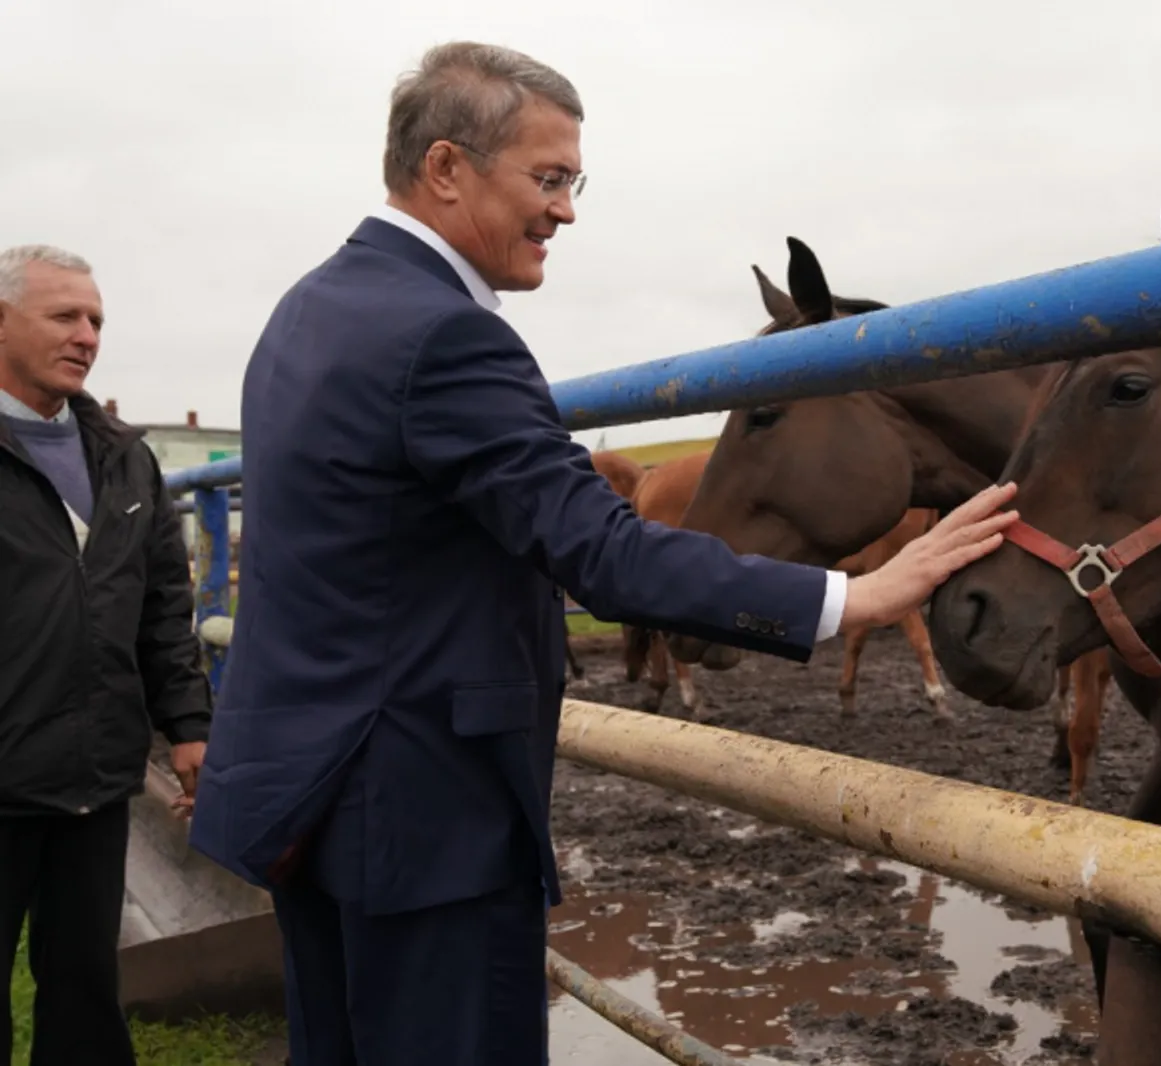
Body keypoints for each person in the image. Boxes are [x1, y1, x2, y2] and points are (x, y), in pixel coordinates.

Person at [186, 41, 1017, 1066]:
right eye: (547, 179)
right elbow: (604, 551)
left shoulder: (305, 310)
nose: (567, 210)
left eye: (574, 183)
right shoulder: (447, 336)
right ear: (447, 168)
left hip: (311, 794)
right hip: (424, 818)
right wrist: (852, 594)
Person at [0, 244, 213, 1065]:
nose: (86, 335)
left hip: (94, 776)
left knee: (87, 986)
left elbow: (164, 607)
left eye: (95, 320)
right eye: (64, 316)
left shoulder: (127, 456)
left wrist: (189, 726)